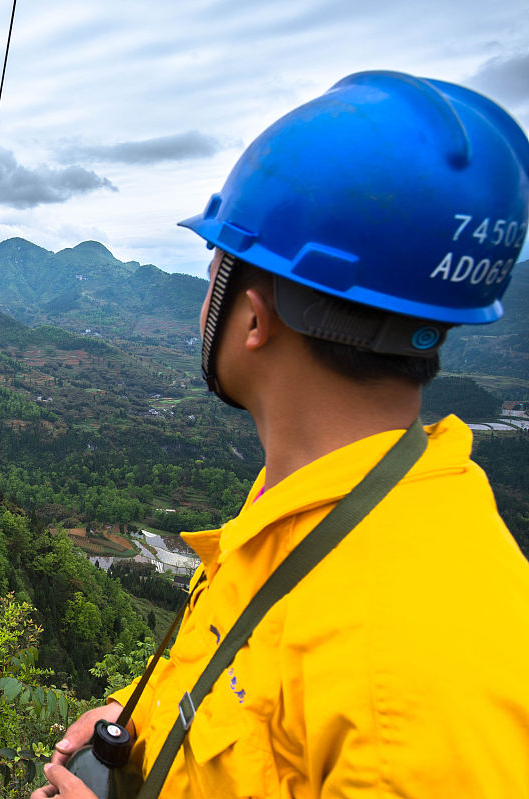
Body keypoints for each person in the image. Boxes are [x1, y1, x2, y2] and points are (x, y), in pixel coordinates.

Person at [34, 71, 529, 798]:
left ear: (255, 317)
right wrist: (136, 723)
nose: (199, 306)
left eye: (212, 276)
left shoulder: (421, 679)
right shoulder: (314, 499)